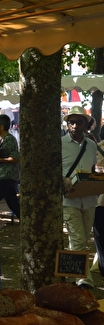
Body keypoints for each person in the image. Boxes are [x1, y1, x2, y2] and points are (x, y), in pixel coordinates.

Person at [62, 106, 98, 289]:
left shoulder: (92, 145)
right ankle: (84, 280)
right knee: (77, 239)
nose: (74, 126)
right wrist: (63, 180)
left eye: (79, 122)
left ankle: (70, 274)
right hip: (69, 199)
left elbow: (92, 170)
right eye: (71, 122)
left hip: (89, 199)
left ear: (86, 125)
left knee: (82, 240)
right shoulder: (59, 144)